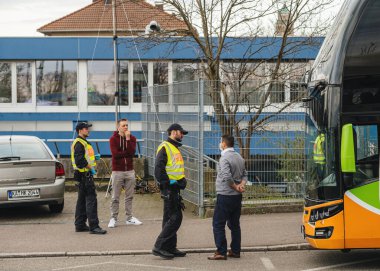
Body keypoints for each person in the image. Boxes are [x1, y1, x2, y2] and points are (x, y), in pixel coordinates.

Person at [208, 135, 247, 260]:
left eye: (220, 142)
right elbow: (245, 174)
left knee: (218, 224)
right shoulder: (239, 157)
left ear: (224, 144)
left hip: (225, 195)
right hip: (237, 197)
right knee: (234, 224)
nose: (220, 144)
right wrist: (241, 185)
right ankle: (235, 251)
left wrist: (235, 186)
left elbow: (226, 176)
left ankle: (221, 251)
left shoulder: (224, 158)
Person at [152, 123, 188, 259]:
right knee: (176, 218)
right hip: (169, 189)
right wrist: (167, 183)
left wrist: (181, 181)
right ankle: (159, 246)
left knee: (169, 219)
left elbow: (175, 169)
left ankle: (170, 247)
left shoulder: (174, 148)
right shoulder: (165, 147)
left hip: (175, 188)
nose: (182, 135)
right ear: (173, 132)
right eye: (181, 132)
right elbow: (158, 169)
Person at [71, 122, 106, 234]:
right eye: (86, 128)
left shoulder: (82, 142)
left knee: (81, 201)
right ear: (80, 130)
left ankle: (80, 224)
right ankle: (94, 226)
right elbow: (80, 161)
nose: (88, 130)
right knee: (91, 200)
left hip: (82, 176)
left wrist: (93, 158)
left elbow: (84, 157)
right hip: (85, 176)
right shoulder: (79, 143)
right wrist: (90, 167)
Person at [108, 118, 142, 228]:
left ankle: (129, 218)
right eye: (123, 125)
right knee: (115, 196)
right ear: (118, 127)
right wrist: (126, 153)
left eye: (127, 125)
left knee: (129, 196)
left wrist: (127, 139)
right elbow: (115, 154)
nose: (126, 127)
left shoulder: (132, 138)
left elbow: (132, 152)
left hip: (130, 171)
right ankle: (113, 218)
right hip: (117, 171)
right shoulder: (113, 139)